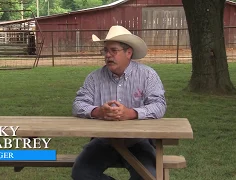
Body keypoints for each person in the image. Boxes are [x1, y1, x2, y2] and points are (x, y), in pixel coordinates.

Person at [71, 25, 167, 180]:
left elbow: (159, 105)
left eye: (113, 50)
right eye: (105, 51)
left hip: (138, 140)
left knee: (150, 177)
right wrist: (98, 112)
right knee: (81, 174)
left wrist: (130, 113)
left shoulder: (148, 75)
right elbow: (78, 104)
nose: (108, 55)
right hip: (103, 141)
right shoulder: (94, 78)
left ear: (128, 53)